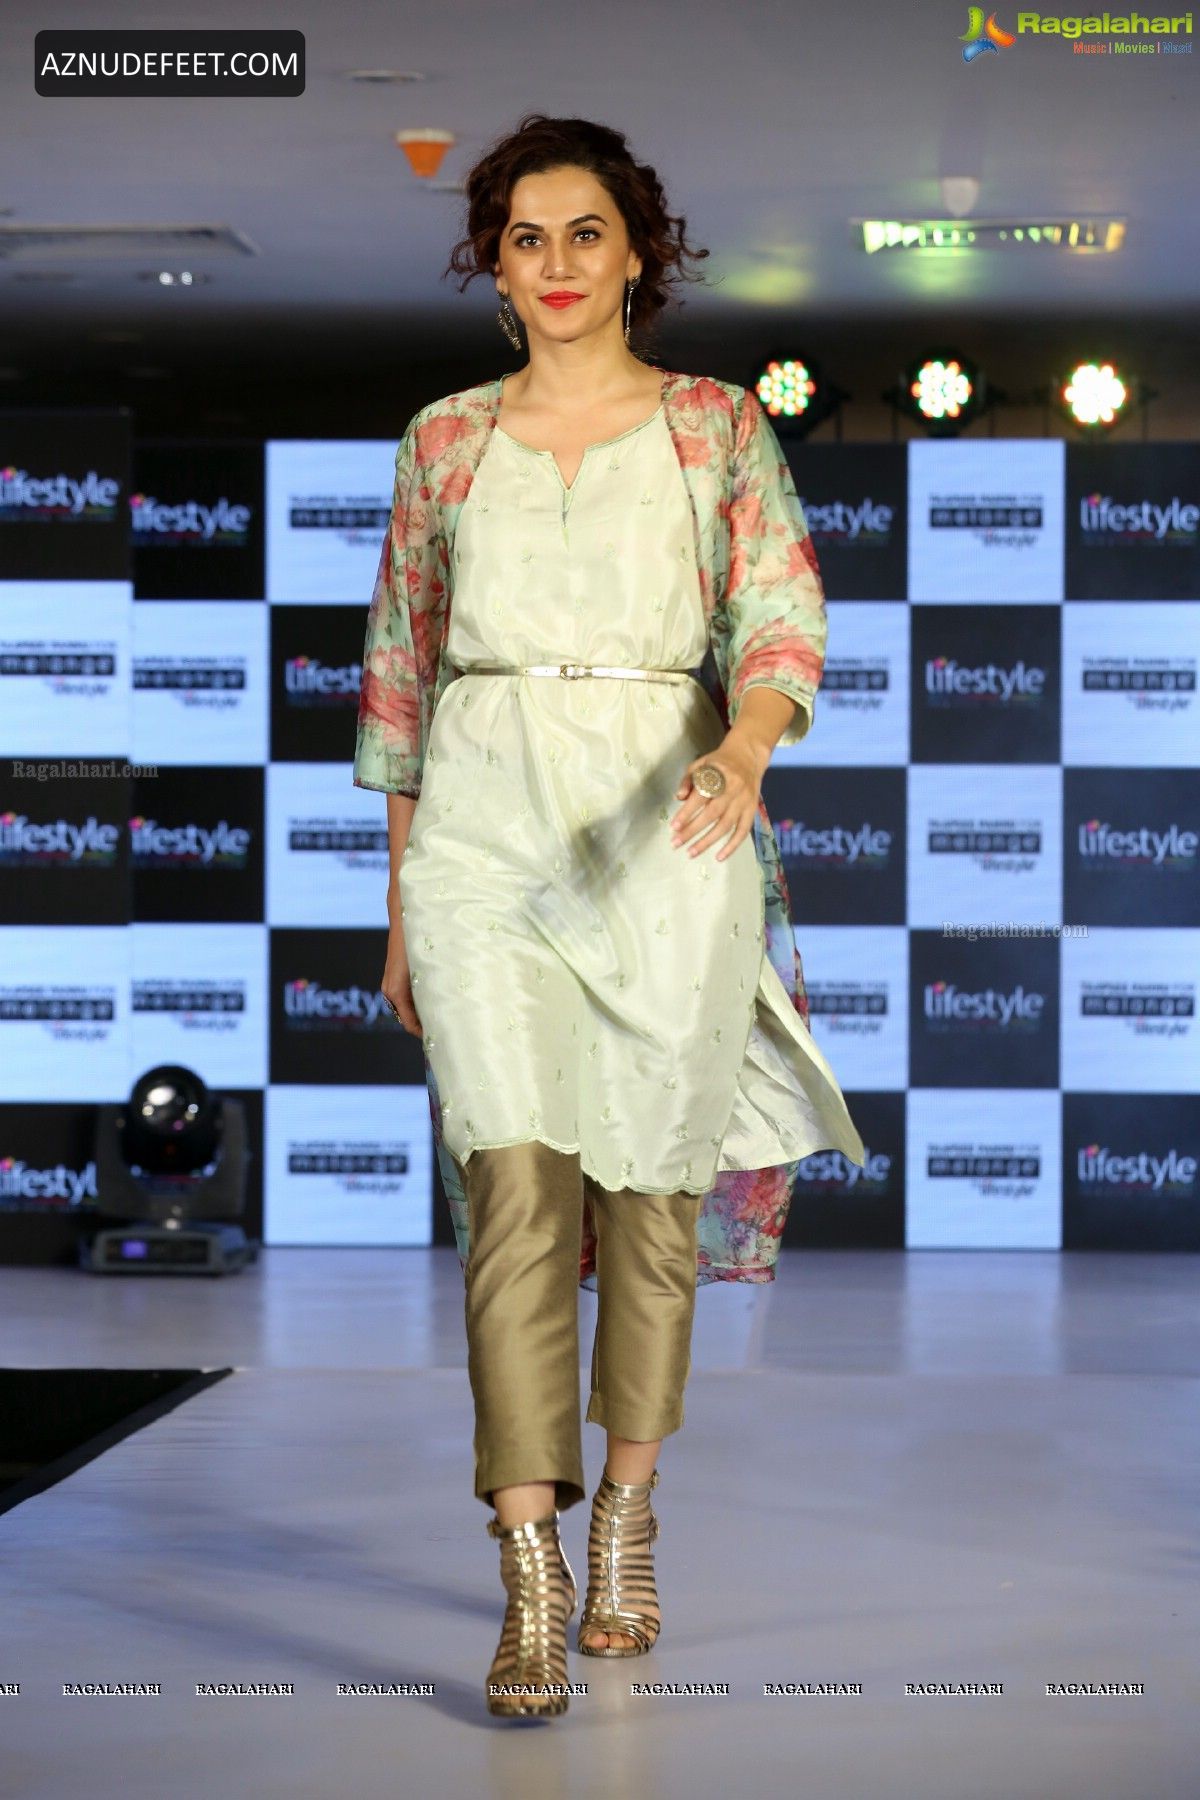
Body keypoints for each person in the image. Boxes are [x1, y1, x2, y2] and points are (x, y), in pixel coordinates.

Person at [352, 112, 866, 1720]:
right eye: (527, 237)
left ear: (639, 252)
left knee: (651, 1197)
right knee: (510, 1191)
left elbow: (781, 610)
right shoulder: (444, 442)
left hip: (668, 827)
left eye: (587, 232)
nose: (559, 263)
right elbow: (400, 676)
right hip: (484, 833)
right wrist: (401, 904)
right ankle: (529, 1575)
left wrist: (744, 746)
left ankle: (628, 1520)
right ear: (494, 267)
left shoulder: (715, 426)